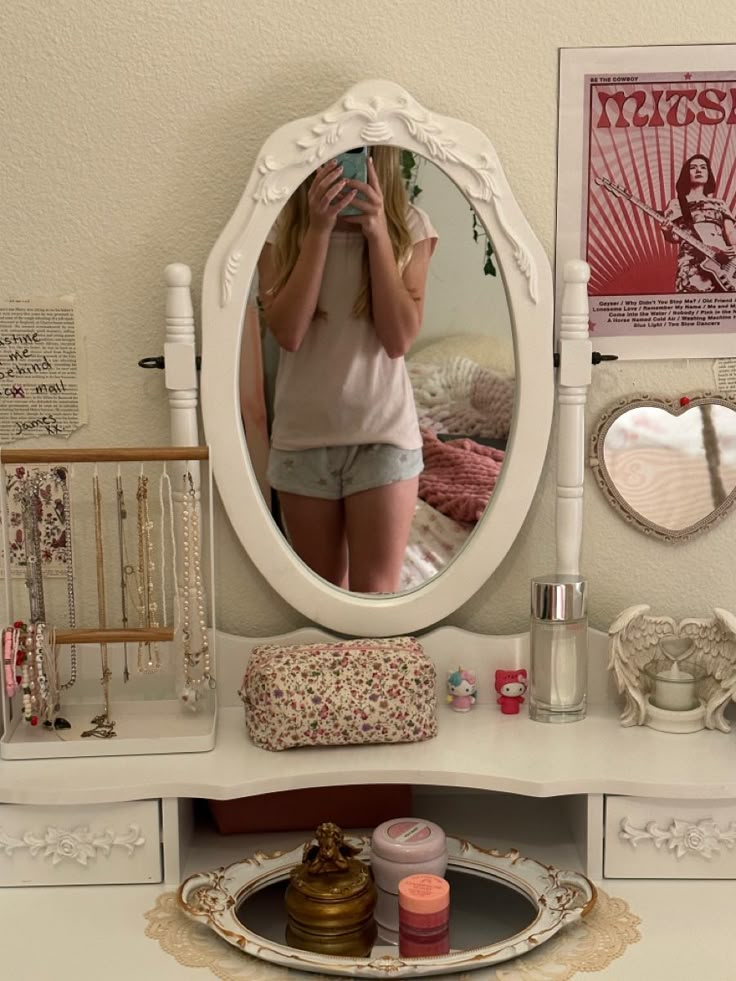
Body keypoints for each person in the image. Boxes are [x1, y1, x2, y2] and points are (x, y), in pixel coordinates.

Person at [257, 146, 438, 593]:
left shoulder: (410, 227)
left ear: (382, 154)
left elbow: (398, 340)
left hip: (384, 440)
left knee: (377, 598)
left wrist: (377, 232)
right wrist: (318, 230)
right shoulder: (280, 227)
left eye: (356, 151)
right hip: (303, 443)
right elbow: (289, 334)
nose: (344, 161)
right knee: (322, 602)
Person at [661, 154, 736, 293]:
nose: (698, 170)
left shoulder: (719, 204)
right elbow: (675, 237)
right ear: (686, 174)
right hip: (692, 264)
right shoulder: (677, 204)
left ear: (708, 173)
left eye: (703, 167)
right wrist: (666, 231)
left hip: (723, 262)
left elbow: (730, 232)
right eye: (693, 168)